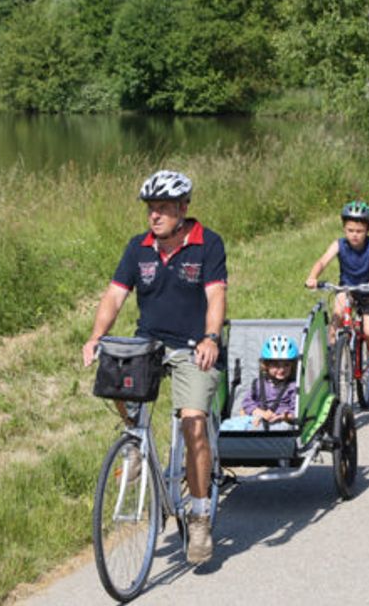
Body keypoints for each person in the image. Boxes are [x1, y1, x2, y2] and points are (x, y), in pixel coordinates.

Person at [82, 169, 227, 565]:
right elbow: (114, 296)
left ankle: (198, 514)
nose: (154, 216)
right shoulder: (138, 248)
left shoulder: (207, 244)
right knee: (113, 375)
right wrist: (96, 336)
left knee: (192, 421)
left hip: (193, 346)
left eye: (163, 208)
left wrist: (211, 338)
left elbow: (215, 297)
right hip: (149, 343)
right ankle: (134, 441)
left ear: (183, 209)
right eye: (151, 209)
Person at [305, 200, 369, 380]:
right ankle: (333, 358)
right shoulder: (339, 244)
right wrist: (313, 277)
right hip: (347, 288)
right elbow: (322, 261)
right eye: (350, 230)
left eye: (359, 231)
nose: (354, 235)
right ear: (344, 229)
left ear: (367, 230)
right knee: (336, 319)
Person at [237, 334, 299, 429]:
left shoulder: (293, 387)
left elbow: (296, 410)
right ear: (266, 365)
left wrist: (283, 416)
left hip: (281, 421)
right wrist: (259, 413)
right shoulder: (258, 384)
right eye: (275, 365)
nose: (281, 369)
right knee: (235, 423)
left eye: (286, 365)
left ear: (293, 366)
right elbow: (247, 402)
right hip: (258, 418)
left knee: (283, 427)